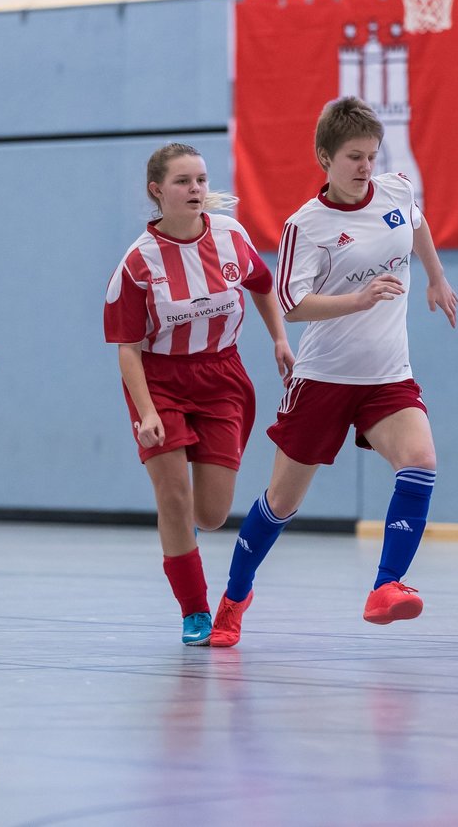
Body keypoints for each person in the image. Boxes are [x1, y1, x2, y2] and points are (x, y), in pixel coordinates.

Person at [209, 96, 458, 648]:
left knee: (420, 461)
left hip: (388, 374)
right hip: (324, 377)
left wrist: (436, 278)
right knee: (282, 502)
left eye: (371, 154)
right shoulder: (307, 224)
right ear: (324, 157)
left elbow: (415, 225)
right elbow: (291, 305)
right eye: (353, 156)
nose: (365, 166)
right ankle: (234, 596)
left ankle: (386, 586)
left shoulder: (396, 190)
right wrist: (357, 299)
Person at [103, 143, 294, 646]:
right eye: (184, 181)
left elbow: (261, 285)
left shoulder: (231, 236)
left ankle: (192, 545)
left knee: (210, 514)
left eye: (202, 180)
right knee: (172, 494)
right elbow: (127, 349)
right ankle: (194, 611)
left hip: (222, 378)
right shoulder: (137, 263)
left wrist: (279, 338)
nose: (196, 190)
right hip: (160, 379)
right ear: (157, 191)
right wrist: (146, 412)